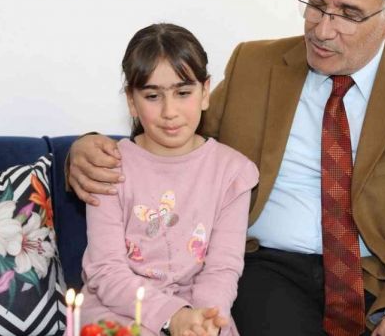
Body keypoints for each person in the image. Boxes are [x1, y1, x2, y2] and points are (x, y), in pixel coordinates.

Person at [70, 0, 385, 336]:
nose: (322, 29)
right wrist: (85, 148)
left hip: (377, 282)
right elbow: (179, 136)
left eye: (348, 14)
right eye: (316, 4)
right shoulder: (255, 64)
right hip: (269, 270)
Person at [79, 23, 259, 336]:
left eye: (183, 93)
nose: (169, 111)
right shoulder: (107, 168)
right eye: (152, 96)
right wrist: (172, 316)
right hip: (119, 310)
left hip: (199, 312)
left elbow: (222, 269)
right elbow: (106, 271)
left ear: (205, 92)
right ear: (131, 101)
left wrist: (203, 320)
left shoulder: (233, 173)